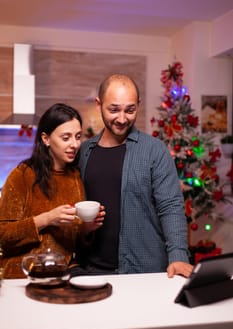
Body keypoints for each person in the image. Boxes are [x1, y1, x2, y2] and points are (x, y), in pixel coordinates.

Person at [76, 74, 193, 278]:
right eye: (113, 109)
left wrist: (178, 256)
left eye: (130, 110)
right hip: (90, 272)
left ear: (138, 105)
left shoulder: (154, 151)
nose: (122, 119)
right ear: (99, 104)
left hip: (143, 272)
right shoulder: (84, 152)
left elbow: (171, 206)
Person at [0, 103, 104, 279]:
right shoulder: (23, 175)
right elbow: (2, 235)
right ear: (46, 139)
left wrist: (86, 229)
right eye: (66, 138)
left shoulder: (74, 177)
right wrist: (47, 219)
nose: (75, 144)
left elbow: (70, 243)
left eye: (78, 137)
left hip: (62, 274)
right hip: (23, 275)